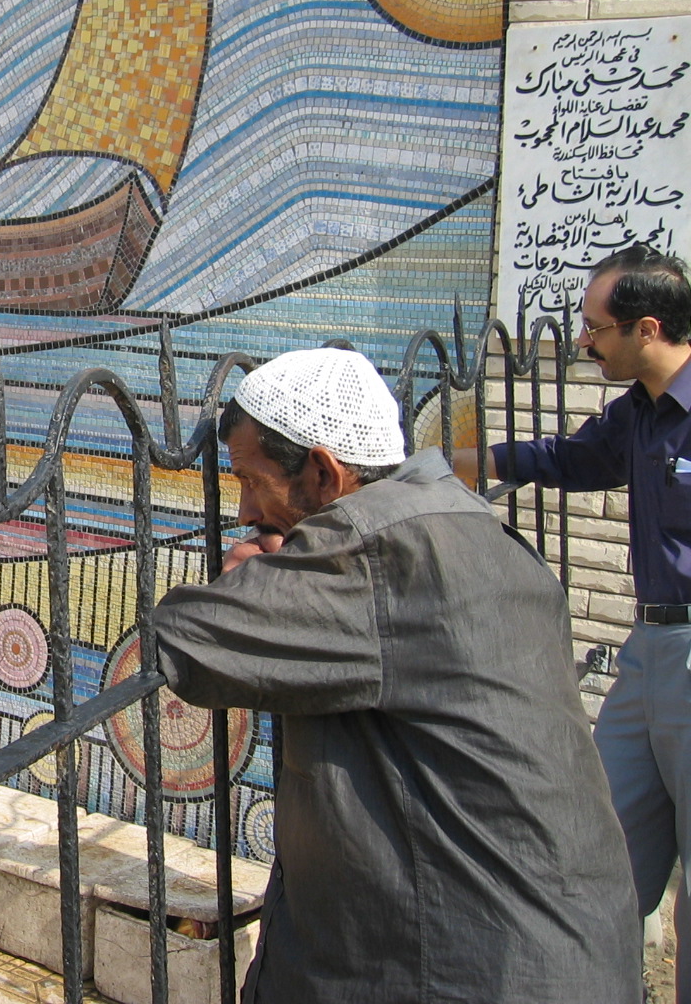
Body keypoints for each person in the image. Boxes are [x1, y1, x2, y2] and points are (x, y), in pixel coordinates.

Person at [152, 347, 639, 1003]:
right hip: (567, 950)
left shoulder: (373, 553)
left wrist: (248, 584)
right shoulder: (457, 519)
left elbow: (185, 641)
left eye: (249, 479)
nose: (241, 509)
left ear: (324, 472)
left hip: (478, 971)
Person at [457, 244, 691, 997]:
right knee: (602, 849)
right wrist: (467, 464)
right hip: (650, 648)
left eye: (596, 328)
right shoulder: (642, 411)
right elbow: (574, 457)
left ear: (647, 328)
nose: (584, 341)